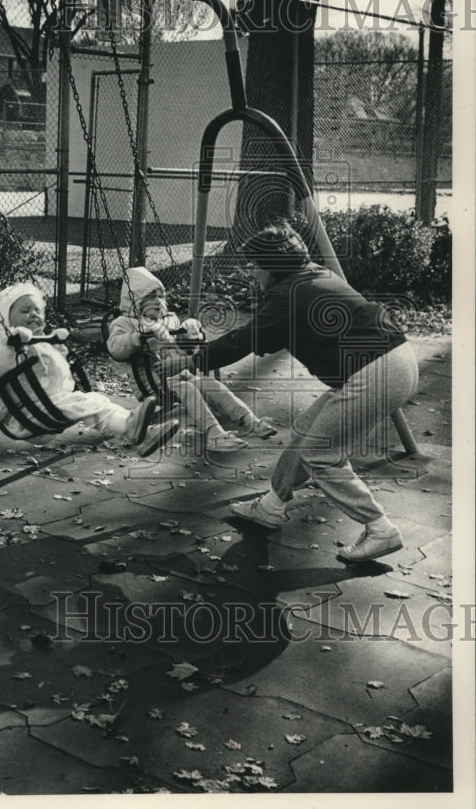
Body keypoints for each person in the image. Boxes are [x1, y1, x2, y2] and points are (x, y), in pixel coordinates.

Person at [157, 223, 419, 563]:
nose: (251, 271)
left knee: (321, 453)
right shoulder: (309, 277)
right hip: (394, 360)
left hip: (377, 370)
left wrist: (190, 360)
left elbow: (246, 339)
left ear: (271, 265)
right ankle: (271, 506)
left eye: (254, 264)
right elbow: (269, 335)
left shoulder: (290, 293)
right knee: (308, 430)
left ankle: (380, 528)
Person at [0, 282, 179, 457]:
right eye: (25, 311)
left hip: (44, 409)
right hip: (20, 416)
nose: (33, 314)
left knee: (96, 400)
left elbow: (51, 377)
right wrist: (8, 344)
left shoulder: (38, 340)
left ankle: (141, 430)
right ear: (4, 318)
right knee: (87, 403)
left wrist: (58, 354)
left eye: (38, 310)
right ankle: (132, 427)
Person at [107, 266, 277, 453]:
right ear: (135, 301)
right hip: (153, 384)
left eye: (160, 296)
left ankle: (249, 420)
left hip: (183, 375)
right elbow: (116, 349)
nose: (158, 301)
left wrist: (192, 335)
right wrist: (138, 337)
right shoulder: (123, 323)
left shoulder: (170, 319)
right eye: (150, 297)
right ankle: (214, 435)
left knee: (210, 384)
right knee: (188, 389)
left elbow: (187, 350)